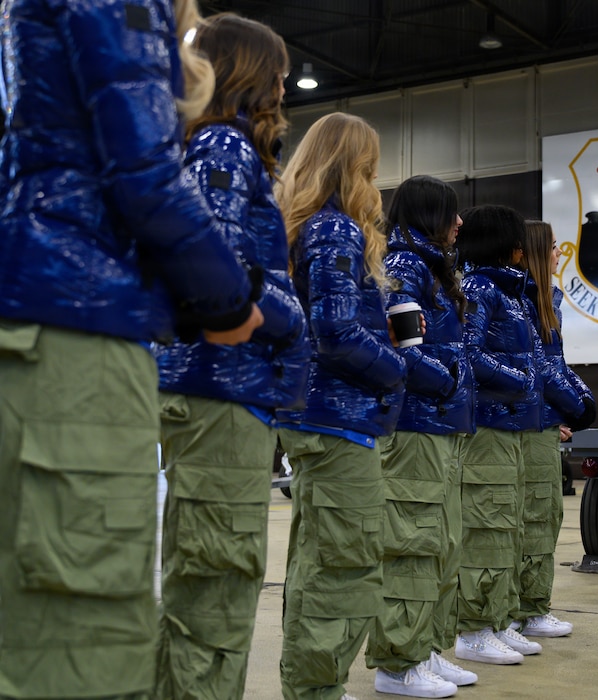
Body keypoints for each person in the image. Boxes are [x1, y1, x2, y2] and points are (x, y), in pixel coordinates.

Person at [0, 0, 262, 697]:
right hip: (76, 321)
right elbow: (145, 171)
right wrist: (230, 300)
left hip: (51, 312)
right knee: (82, 637)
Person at [152, 13, 310, 699]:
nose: (283, 85)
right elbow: (215, 272)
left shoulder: (217, 148)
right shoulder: (225, 147)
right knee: (214, 588)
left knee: (213, 583)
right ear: (249, 74)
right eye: (276, 70)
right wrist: (284, 312)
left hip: (225, 389)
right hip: (220, 387)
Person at [275, 112, 405, 700]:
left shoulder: (309, 228)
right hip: (338, 416)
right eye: (371, 168)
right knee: (343, 566)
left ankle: (312, 683)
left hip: (319, 414)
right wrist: (400, 369)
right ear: (353, 167)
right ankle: (316, 687)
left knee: (319, 560)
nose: (376, 182)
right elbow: (335, 332)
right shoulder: (335, 230)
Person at [366, 175, 476, 698]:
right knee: (411, 543)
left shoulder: (433, 268)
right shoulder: (406, 267)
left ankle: (425, 647)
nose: (459, 223)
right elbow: (403, 347)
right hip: (414, 425)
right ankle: (397, 661)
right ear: (429, 215)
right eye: (451, 213)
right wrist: (448, 380)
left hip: (440, 423)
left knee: (443, 543)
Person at [452, 205, 541, 666]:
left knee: (508, 526)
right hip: (487, 422)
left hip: (510, 422)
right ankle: (473, 628)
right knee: (486, 526)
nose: (523, 251)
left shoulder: (509, 292)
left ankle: (498, 617)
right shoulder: (480, 289)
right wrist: (519, 380)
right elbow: (467, 353)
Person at [512, 220, 595, 638]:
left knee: (545, 516)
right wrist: (578, 408)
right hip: (525, 426)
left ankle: (533, 606)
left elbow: (555, 365)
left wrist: (563, 411)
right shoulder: (522, 300)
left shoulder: (548, 300)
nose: (560, 254)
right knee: (528, 517)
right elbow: (539, 369)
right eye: (553, 248)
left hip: (543, 422)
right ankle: (518, 610)